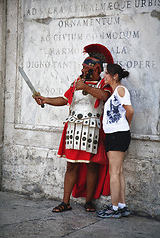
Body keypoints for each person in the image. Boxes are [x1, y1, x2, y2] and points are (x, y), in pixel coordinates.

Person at [35, 44, 114, 212]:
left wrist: (85, 87)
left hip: (92, 128)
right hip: (73, 128)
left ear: (97, 69)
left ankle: (89, 201)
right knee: (71, 166)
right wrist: (46, 100)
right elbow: (65, 99)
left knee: (92, 166)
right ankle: (65, 202)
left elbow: (105, 97)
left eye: (87, 68)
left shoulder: (103, 84)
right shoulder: (76, 83)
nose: (83, 71)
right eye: (83, 68)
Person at [97, 63, 134, 219]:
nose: (104, 76)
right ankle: (122, 206)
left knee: (114, 172)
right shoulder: (115, 93)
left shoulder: (120, 90)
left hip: (118, 135)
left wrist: (125, 125)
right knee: (118, 172)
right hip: (116, 134)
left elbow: (130, 111)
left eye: (106, 73)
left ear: (115, 76)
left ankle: (114, 208)